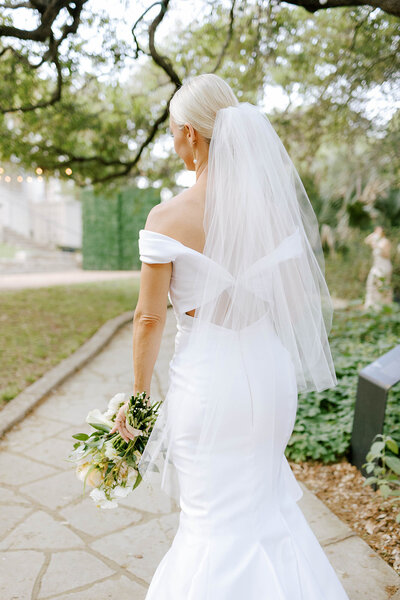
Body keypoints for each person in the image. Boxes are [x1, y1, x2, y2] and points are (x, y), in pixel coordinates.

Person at [112, 73, 350, 599]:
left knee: (211, 519)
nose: (174, 143)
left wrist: (138, 395)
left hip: (208, 380)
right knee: (263, 508)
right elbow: (294, 303)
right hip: (268, 374)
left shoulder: (167, 217)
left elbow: (148, 319)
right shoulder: (270, 215)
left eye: (174, 132)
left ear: (191, 134)